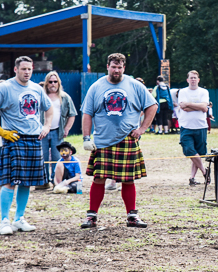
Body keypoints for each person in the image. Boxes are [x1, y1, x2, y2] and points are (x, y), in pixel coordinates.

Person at [80, 53, 157, 229]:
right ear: (108, 66)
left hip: (126, 139)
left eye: (120, 67)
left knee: (128, 179)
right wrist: (86, 138)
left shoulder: (134, 85)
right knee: (99, 178)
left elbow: (152, 106)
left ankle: (132, 216)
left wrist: (142, 128)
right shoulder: (96, 87)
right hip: (102, 140)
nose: (117, 70)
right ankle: (91, 216)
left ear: (124, 68)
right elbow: (87, 113)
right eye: (114, 67)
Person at [0, 56, 54, 234]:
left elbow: (49, 108)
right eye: (23, 69)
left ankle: (19, 219)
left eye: (29, 69)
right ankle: (4, 221)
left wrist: (46, 126)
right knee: (9, 181)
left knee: (27, 182)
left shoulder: (37, 89)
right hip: (14, 138)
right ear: (16, 70)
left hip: (34, 139)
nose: (27, 72)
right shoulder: (4, 87)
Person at [39, 71, 78, 184]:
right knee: (43, 157)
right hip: (42, 132)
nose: (53, 84)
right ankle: (44, 181)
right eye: (50, 82)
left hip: (57, 131)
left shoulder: (65, 97)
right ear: (46, 83)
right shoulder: (41, 96)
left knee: (57, 157)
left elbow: (72, 114)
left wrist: (67, 128)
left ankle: (55, 180)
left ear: (59, 83)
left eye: (55, 82)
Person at [177, 70, 210, 186]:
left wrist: (190, 105)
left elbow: (204, 107)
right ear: (187, 80)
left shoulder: (203, 92)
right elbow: (182, 107)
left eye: (195, 78)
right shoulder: (183, 91)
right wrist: (199, 107)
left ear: (198, 80)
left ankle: (192, 177)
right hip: (186, 126)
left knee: (198, 153)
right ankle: (205, 171)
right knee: (189, 150)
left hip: (201, 126)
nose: (193, 80)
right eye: (191, 78)